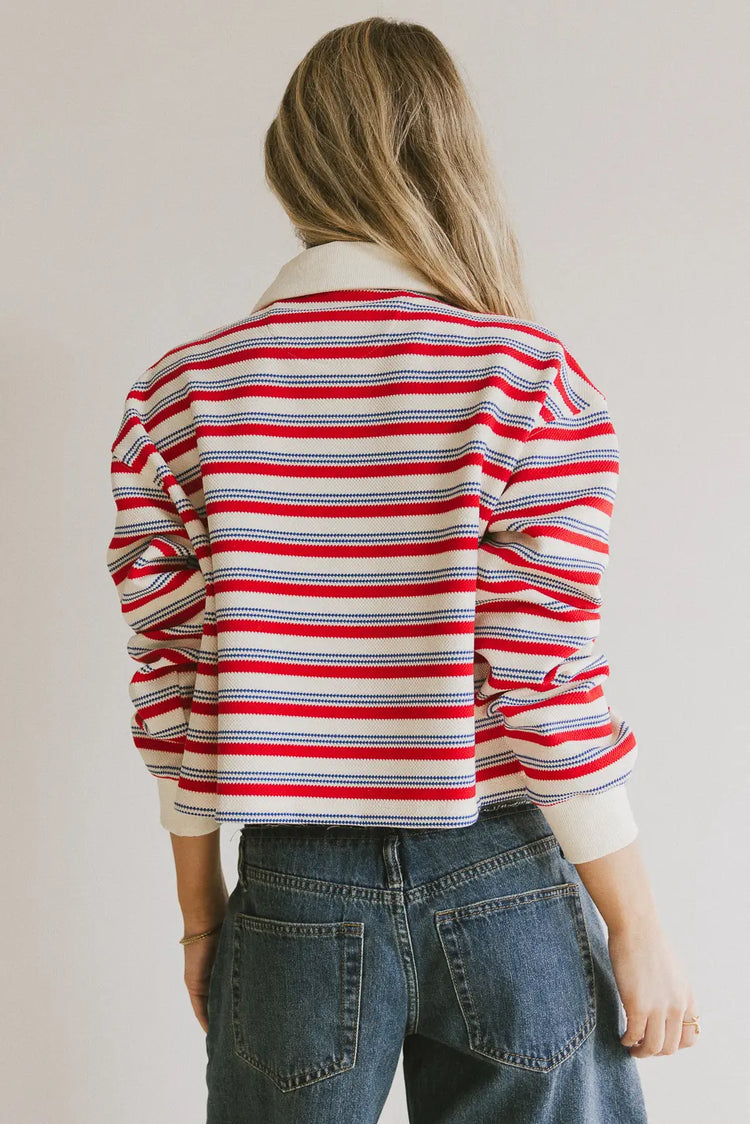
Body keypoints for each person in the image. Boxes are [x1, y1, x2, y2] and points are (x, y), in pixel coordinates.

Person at [105, 17, 699, 1123]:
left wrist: (201, 917)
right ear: (450, 159)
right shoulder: (525, 378)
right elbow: (543, 670)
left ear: (291, 163)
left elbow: (174, 680)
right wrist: (640, 923)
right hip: (507, 870)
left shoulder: (178, 398)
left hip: (289, 884)